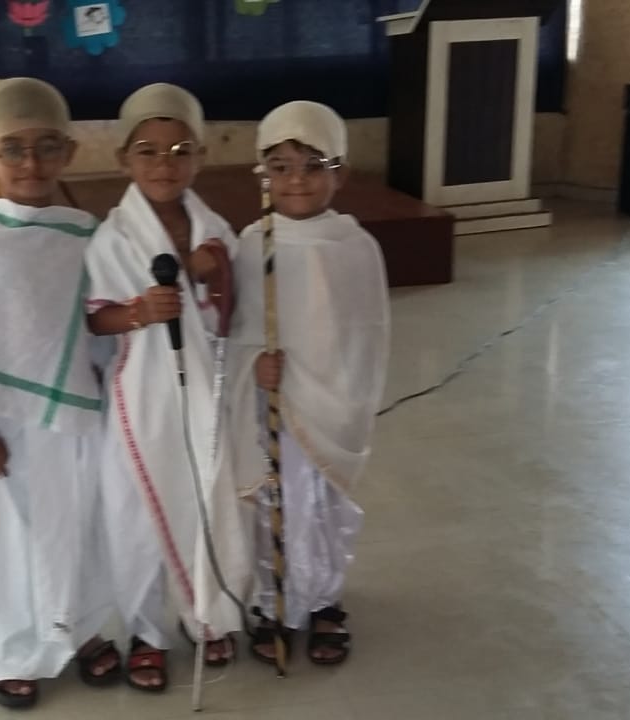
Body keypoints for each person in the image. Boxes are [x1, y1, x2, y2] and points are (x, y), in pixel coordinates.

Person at [0, 77, 119, 709]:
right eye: (13, 149)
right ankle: (11, 649)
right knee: (5, 536)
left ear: (70, 152)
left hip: (69, 419)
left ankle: (81, 629)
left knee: (76, 523)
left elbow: (93, 321)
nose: (31, 163)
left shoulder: (85, 233)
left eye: (46, 146)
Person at [84, 83, 251, 693]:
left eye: (181, 151)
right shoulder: (113, 239)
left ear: (200, 157)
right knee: (137, 516)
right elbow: (95, 319)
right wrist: (138, 312)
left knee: (208, 498)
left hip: (207, 391)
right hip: (143, 398)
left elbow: (237, 309)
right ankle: (147, 633)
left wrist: (216, 269)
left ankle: (208, 614)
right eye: (148, 152)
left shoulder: (215, 229)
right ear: (124, 160)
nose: (165, 164)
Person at [226, 100, 390, 668]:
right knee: (276, 502)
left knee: (320, 503)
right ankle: (272, 602)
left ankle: (323, 600)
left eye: (313, 166)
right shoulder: (253, 245)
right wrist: (253, 365)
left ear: (339, 172)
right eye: (281, 166)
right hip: (271, 406)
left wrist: (340, 388)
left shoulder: (355, 246)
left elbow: (368, 332)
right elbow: (235, 330)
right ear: (263, 174)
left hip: (329, 406)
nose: (297, 180)